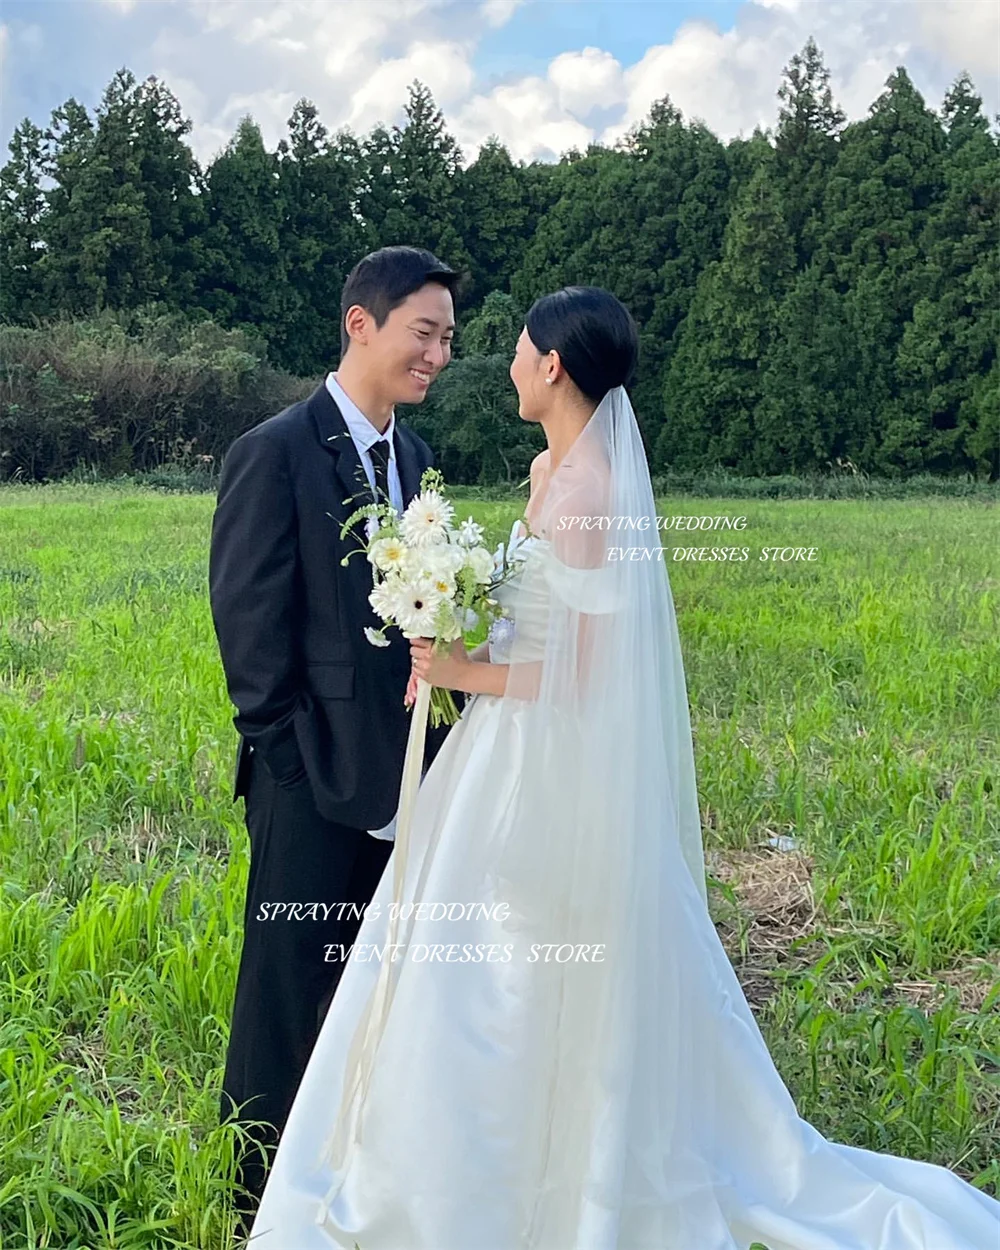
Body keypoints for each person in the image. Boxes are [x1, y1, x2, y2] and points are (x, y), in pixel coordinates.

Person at [247, 286, 1000, 1248]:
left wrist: (461, 667)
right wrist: (463, 614)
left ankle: (543, 1160)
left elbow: (581, 672)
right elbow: (538, 615)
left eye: (518, 348)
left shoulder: (593, 496)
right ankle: (473, 1138)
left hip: (546, 751)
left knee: (519, 944)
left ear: (553, 365)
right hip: (498, 744)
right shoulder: (547, 471)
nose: (501, 360)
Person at [208, 245, 461, 1235]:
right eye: (423, 331)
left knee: (377, 979)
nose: (437, 352)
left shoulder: (414, 459)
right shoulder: (274, 451)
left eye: (447, 336)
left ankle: (351, 1167)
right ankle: (250, 1194)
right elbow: (250, 628)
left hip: (408, 769)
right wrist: (292, 760)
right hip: (309, 779)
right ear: (361, 322)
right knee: (285, 983)